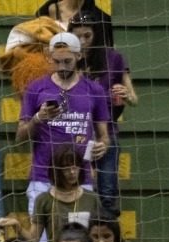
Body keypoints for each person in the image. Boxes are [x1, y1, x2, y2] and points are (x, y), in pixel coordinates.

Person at [16, 33, 110, 215]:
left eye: (67, 61)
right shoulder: (35, 88)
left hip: (80, 178)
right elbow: (20, 136)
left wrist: (102, 146)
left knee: (79, 238)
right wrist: (38, 118)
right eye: (56, 61)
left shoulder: (94, 90)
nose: (61, 67)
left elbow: (104, 135)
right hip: (43, 178)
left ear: (79, 55)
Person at [0, 145, 101, 242]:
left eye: (75, 167)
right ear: (56, 170)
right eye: (66, 168)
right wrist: (18, 226)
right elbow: (34, 239)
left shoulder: (92, 198)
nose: (71, 172)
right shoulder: (44, 199)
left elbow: (98, 235)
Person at [70, 12, 135, 219]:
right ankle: (79, 237)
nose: (82, 41)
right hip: (77, 133)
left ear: (96, 34)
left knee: (107, 192)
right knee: (78, 191)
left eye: (87, 35)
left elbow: (134, 98)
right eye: (77, 36)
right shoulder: (67, 59)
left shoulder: (113, 58)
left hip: (108, 131)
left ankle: (106, 241)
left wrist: (125, 94)